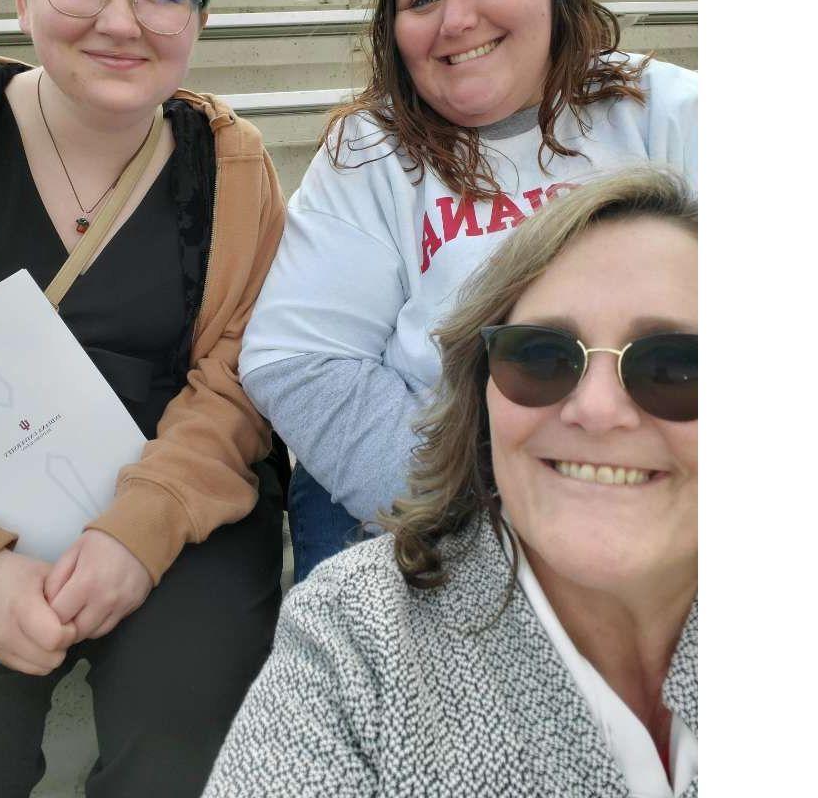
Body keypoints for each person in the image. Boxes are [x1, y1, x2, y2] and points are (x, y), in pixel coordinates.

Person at [238, 0, 698, 583]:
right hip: (436, 497)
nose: (457, 19)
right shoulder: (368, 153)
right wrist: (481, 508)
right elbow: (298, 360)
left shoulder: (665, 112)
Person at [205, 168, 698, 797]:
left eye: (676, 366)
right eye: (541, 357)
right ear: (481, 395)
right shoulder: (356, 634)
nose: (596, 409)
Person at [0, 0, 286, 795]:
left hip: (178, 509)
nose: (120, 21)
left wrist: (136, 532)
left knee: (180, 758)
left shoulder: (230, 162)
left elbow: (239, 372)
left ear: (198, 18)